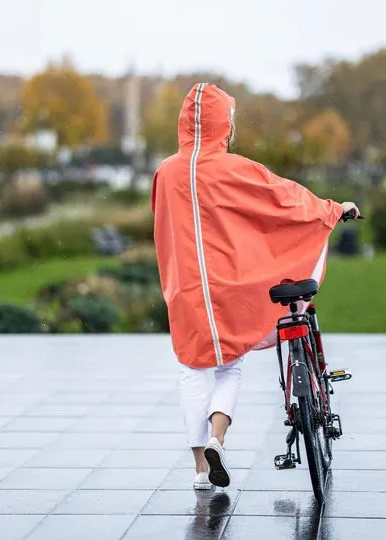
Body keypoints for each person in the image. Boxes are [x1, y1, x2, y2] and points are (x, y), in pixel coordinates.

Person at [151, 83, 359, 490]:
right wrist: (334, 209)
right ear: (223, 123)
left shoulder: (165, 172)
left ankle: (199, 471)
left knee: (192, 370)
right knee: (231, 365)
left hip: (188, 289)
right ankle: (218, 437)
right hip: (232, 286)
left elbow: (163, 227)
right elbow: (286, 200)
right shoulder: (235, 169)